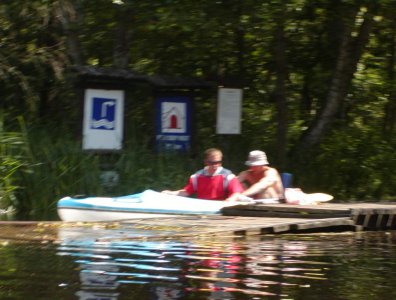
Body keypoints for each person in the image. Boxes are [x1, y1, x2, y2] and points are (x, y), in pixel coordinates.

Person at [161, 148, 244, 201]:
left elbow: (236, 193)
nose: (215, 165)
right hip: (203, 210)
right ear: (206, 162)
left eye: (218, 162)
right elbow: (186, 192)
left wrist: (229, 200)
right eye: (211, 162)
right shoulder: (196, 177)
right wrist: (170, 193)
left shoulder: (228, 176)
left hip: (222, 210)